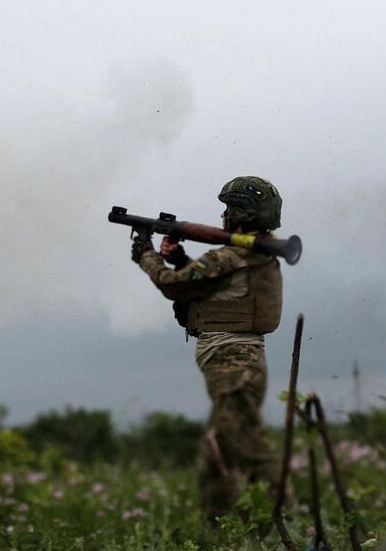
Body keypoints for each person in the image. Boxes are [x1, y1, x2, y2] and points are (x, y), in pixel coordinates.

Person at [130, 176, 285, 518]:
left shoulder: (231, 257)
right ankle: (261, 526)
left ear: (243, 215)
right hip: (240, 361)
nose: (223, 217)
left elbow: (172, 286)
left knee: (225, 452)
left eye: (228, 209)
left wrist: (146, 255)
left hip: (234, 363)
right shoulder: (260, 256)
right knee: (237, 448)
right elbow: (207, 289)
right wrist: (182, 258)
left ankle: (261, 527)